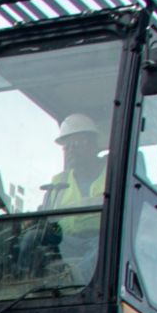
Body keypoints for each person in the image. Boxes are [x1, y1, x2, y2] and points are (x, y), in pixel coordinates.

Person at [39, 111, 106, 284]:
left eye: (76, 144)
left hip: (101, 237)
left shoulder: (113, 172)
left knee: (106, 247)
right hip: (67, 243)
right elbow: (47, 219)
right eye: (66, 147)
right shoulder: (58, 182)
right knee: (33, 239)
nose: (70, 151)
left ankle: (73, 281)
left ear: (92, 144)